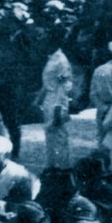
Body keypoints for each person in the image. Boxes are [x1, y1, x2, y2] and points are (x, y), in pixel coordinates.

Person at [38, 28, 74, 169]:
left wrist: (59, 107)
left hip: (57, 101)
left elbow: (64, 85)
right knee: (50, 135)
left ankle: (62, 167)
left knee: (59, 136)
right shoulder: (52, 58)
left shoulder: (61, 61)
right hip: (49, 99)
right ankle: (52, 166)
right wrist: (39, 99)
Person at [88, 41, 112, 136]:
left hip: (103, 109)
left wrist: (101, 107)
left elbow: (93, 93)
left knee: (102, 138)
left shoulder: (99, 70)